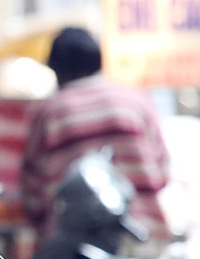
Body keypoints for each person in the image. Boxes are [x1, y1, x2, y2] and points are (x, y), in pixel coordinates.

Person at [21, 26, 171, 240]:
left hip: (76, 250)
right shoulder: (136, 100)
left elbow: (33, 191)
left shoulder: (49, 112)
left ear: (57, 69)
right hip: (145, 235)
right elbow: (162, 172)